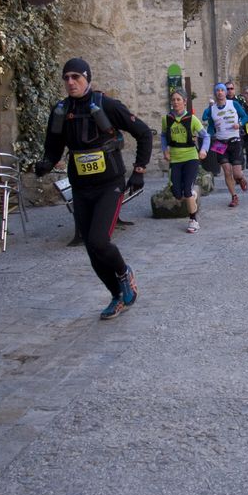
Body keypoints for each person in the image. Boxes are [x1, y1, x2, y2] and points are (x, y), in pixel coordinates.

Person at [35, 58, 152, 320]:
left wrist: (140, 171)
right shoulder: (61, 110)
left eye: (76, 77)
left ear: (87, 78)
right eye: (66, 78)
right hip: (81, 186)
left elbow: (143, 132)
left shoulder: (106, 105)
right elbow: (53, 147)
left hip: (109, 184)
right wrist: (45, 163)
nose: (70, 82)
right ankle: (116, 295)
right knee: (91, 248)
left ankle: (124, 273)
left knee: (100, 240)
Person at [161, 90, 210, 234]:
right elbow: (164, 136)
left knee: (186, 191)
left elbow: (206, 136)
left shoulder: (192, 119)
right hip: (175, 159)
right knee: (176, 193)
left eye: (178, 99)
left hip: (191, 157)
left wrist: (203, 150)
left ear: (185, 101)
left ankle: (193, 220)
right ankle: (192, 195)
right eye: (173, 99)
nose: (175, 102)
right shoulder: (166, 119)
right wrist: (165, 150)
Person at [202, 82, 248, 207]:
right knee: (227, 172)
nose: (220, 92)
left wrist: (239, 124)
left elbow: (245, 117)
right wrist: (206, 136)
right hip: (220, 143)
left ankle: (241, 178)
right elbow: (207, 121)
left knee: (237, 173)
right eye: (217, 90)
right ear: (215, 93)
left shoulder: (233, 104)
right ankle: (234, 196)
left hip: (234, 141)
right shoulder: (212, 109)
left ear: (225, 92)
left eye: (222, 90)